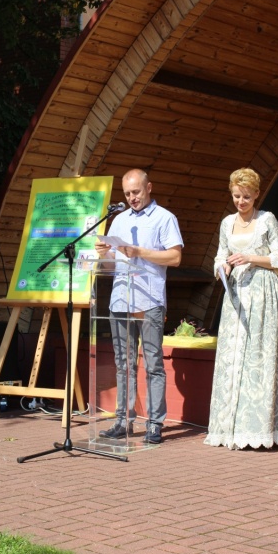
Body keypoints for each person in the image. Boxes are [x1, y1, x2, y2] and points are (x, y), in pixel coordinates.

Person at [204, 168, 278, 450]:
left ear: (256, 194)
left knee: (258, 355)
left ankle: (259, 429)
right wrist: (223, 267)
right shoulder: (227, 223)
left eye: (245, 196)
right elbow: (220, 256)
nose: (240, 201)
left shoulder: (267, 220)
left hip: (263, 291)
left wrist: (251, 258)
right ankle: (229, 428)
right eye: (236, 196)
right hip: (236, 295)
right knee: (233, 357)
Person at [95, 169, 183, 444]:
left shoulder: (164, 218)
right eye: (127, 194)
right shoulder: (119, 220)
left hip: (149, 299)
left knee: (153, 363)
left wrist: (140, 252)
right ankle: (123, 421)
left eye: (136, 192)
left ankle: (155, 423)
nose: (132, 198)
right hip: (121, 299)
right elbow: (111, 266)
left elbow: (175, 257)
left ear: (149, 187)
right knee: (123, 364)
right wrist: (104, 256)